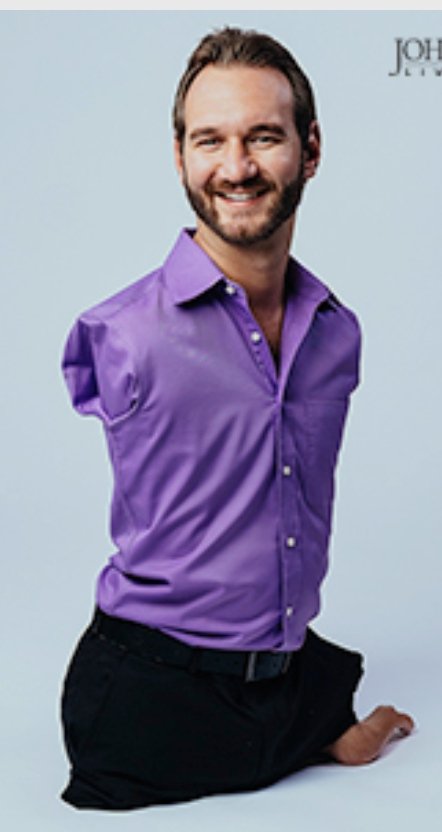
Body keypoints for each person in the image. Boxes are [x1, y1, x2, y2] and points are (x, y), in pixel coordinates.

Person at [59, 26, 414, 811]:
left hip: (283, 676)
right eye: (210, 140)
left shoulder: (336, 332)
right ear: (179, 156)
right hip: (149, 691)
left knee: (331, 683)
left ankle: (306, 725)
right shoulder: (121, 333)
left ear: (310, 149)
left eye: (264, 137)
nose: (237, 166)